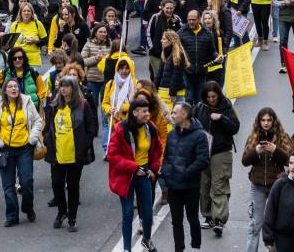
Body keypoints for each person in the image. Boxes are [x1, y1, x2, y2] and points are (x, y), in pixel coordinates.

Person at [0, 78, 43, 227]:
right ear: (5, 90)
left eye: (15, 86)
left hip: (25, 148)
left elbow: (38, 121)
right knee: (8, 185)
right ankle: (12, 216)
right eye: (10, 87)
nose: (13, 89)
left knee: (27, 181)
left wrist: (32, 139)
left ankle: (28, 208)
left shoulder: (27, 101)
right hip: (5, 150)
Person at [43, 74, 98, 232]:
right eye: (61, 86)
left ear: (73, 88)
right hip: (57, 153)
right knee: (57, 184)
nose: (63, 89)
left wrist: (84, 145)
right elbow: (47, 127)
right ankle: (62, 212)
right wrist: (47, 140)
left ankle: (72, 217)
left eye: (67, 86)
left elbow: (91, 127)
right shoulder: (54, 105)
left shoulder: (83, 105)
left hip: (75, 155)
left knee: (73, 187)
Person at [107, 98, 163, 252]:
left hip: (144, 174)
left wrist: (153, 168)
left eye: (148, 110)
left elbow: (157, 149)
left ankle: (146, 240)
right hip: (127, 176)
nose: (147, 114)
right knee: (128, 213)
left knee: (147, 212)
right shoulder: (120, 130)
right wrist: (133, 168)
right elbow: (112, 155)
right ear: (134, 112)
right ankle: (127, 248)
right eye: (144, 111)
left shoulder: (150, 127)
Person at [160, 101, 210, 252]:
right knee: (176, 221)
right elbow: (167, 157)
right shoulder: (171, 135)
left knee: (192, 219)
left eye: (175, 112)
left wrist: (185, 173)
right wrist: (167, 173)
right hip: (173, 186)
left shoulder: (199, 135)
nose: (172, 115)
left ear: (185, 115)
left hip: (190, 186)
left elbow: (203, 160)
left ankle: (195, 247)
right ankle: (179, 249)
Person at [242, 107, 292, 252]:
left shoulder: (282, 136)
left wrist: (275, 150)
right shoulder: (253, 137)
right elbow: (244, 161)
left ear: (273, 121)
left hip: (276, 185)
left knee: (276, 223)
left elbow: (290, 161)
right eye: (263, 120)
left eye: (269, 120)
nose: (266, 123)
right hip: (257, 186)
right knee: (255, 224)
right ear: (259, 121)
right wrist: (255, 151)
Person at [194, 80, 239, 237]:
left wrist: (222, 118)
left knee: (219, 185)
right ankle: (208, 216)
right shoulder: (199, 107)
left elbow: (235, 127)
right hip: (203, 152)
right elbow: (191, 124)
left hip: (221, 151)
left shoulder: (227, 107)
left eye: (214, 96)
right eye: (208, 97)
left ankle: (219, 220)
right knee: (204, 185)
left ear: (218, 95)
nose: (211, 99)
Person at [179, 9, 217, 103]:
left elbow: (212, 51)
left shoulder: (207, 33)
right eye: (189, 20)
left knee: (200, 99)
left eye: (193, 20)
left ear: (199, 20)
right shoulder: (181, 32)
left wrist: (217, 57)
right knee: (189, 98)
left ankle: (198, 112)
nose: (191, 22)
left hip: (201, 72)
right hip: (186, 72)